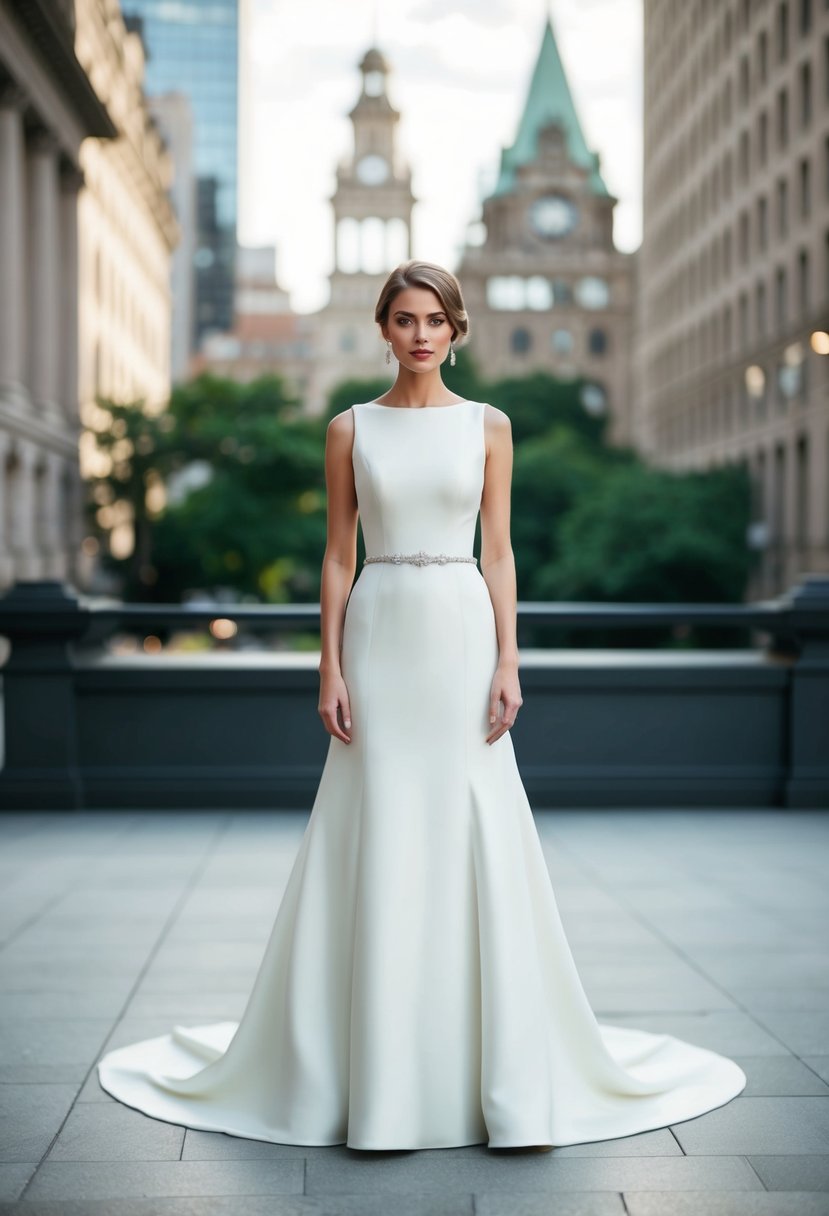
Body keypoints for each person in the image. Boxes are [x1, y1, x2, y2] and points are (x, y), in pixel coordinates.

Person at [97, 260, 747, 1151]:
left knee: (472, 816)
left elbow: (502, 552)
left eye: (433, 319)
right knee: (378, 820)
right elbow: (335, 556)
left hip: (460, 630)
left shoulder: (490, 426)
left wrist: (509, 659)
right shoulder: (347, 429)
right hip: (379, 630)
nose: (419, 334)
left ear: (456, 328)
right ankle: (370, 1066)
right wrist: (325, 666)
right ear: (384, 329)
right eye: (403, 319)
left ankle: (495, 1066)